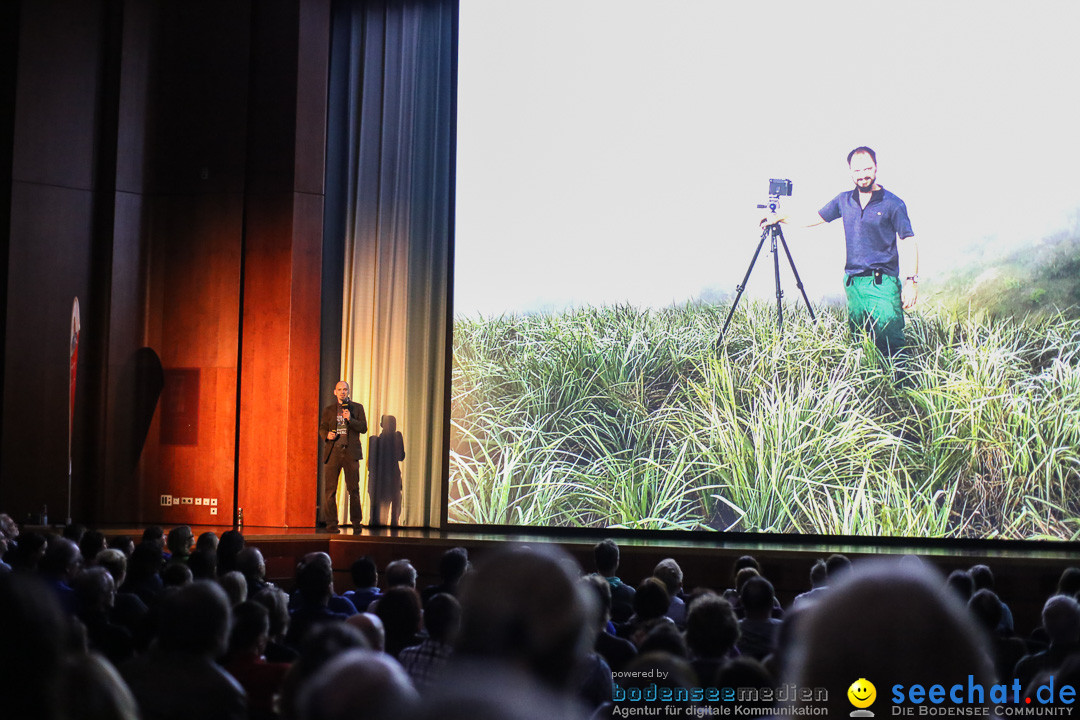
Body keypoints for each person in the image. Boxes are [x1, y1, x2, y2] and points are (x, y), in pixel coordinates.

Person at [762, 146, 919, 358]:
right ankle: (871, 388)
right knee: (861, 342)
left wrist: (911, 281)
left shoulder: (893, 203)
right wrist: (780, 217)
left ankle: (902, 387)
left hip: (882, 284)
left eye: (867, 169)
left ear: (876, 168)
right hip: (853, 283)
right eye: (857, 171)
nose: (863, 175)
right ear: (850, 172)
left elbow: (909, 240)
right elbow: (814, 218)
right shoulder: (844, 200)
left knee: (891, 342)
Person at [319, 380, 368, 532]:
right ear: (335, 392)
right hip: (333, 452)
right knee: (330, 490)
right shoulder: (328, 410)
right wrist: (327, 435)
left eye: (345, 389)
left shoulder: (357, 408)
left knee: (353, 490)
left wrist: (350, 419)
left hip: (350, 453)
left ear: (348, 391)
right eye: (339, 389)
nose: (342, 392)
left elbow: (363, 428)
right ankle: (332, 524)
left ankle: (356, 523)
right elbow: (322, 428)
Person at [368, 414, 405, 527]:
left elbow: (401, 456)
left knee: (389, 510)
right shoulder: (375, 440)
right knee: (377, 512)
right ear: (382, 425)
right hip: (383, 479)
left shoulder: (396, 437)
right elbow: (371, 464)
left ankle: (390, 524)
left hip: (389, 478)